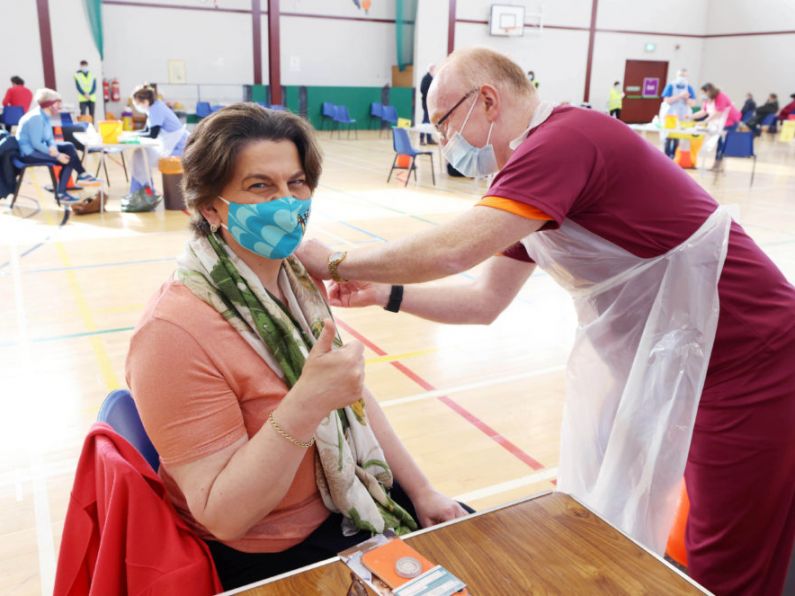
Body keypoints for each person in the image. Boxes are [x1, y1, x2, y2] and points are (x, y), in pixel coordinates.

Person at [296, 47, 795, 596]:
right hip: (682, 367)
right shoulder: (532, 179)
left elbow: (456, 251)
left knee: (726, 553)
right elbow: (484, 301)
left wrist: (338, 261)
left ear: (486, 99)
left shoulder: (563, 140)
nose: (444, 142)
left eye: (443, 124)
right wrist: (385, 294)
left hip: (753, 361)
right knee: (648, 513)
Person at [124, 103, 469, 591]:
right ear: (209, 206)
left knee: (481, 553)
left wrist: (422, 490)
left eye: (297, 183)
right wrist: (305, 403)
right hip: (274, 551)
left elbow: (351, 400)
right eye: (260, 185)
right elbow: (224, 516)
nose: (286, 202)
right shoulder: (171, 334)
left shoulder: (294, 280)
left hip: (350, 498)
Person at [15, 89, 100, 202]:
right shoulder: (36, 118)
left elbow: (49, 138)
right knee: (67, 159)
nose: (60, 105)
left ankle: (81, 173)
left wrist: (54, 147)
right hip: (29, 153)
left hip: (38, 148)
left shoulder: (45, 115)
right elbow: (36, 144)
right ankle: (61, 193)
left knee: (68, 146)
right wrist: (58, 155)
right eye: (58, 102)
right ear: (49, 104)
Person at [123, 84, 188, 210]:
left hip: (177, 147)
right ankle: (143, 192)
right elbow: (147, 130)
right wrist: (133, 134)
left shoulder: (156, 110)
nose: (136, 106)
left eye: (137, 103)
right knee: (140, 155)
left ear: (145, 101)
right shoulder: (154, 108)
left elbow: (152, 134)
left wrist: (134, 135)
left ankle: (143, 193)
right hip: (170, 144)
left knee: (141, 157)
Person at [688, 83, 741, 170]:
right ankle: (718, 165)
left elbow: (719, 113)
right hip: (718, 123)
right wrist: (690, 116)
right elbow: (704, 112)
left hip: (729, 122)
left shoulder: (721, 96)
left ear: (708, 91)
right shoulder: (708, 100)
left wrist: (705, 121)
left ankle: (718, 165)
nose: (702, 95)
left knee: (722, 143)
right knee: (719, 142)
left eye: (703, 93)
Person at [660, 68, 696, 158]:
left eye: (684, 76)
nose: (682, 77)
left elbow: (693, 103)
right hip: (670, 115)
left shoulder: (689, 88)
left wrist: (686, 98)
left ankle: (673, 157)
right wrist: (679, 96)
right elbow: (666, 100)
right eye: (680, 75)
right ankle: (666, 156)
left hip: (682, 116)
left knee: (677, 136)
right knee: (668, 136)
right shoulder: (671, 86)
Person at [419, 64, 437, 145]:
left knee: (429, 122)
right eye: (434, 69)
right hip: (426, 103)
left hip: (430, 103)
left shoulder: (431, 78)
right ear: (431, 69)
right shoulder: (426, 78)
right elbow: (422, 90)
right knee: (425, 121)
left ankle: (429, 139)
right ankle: (422, 139)